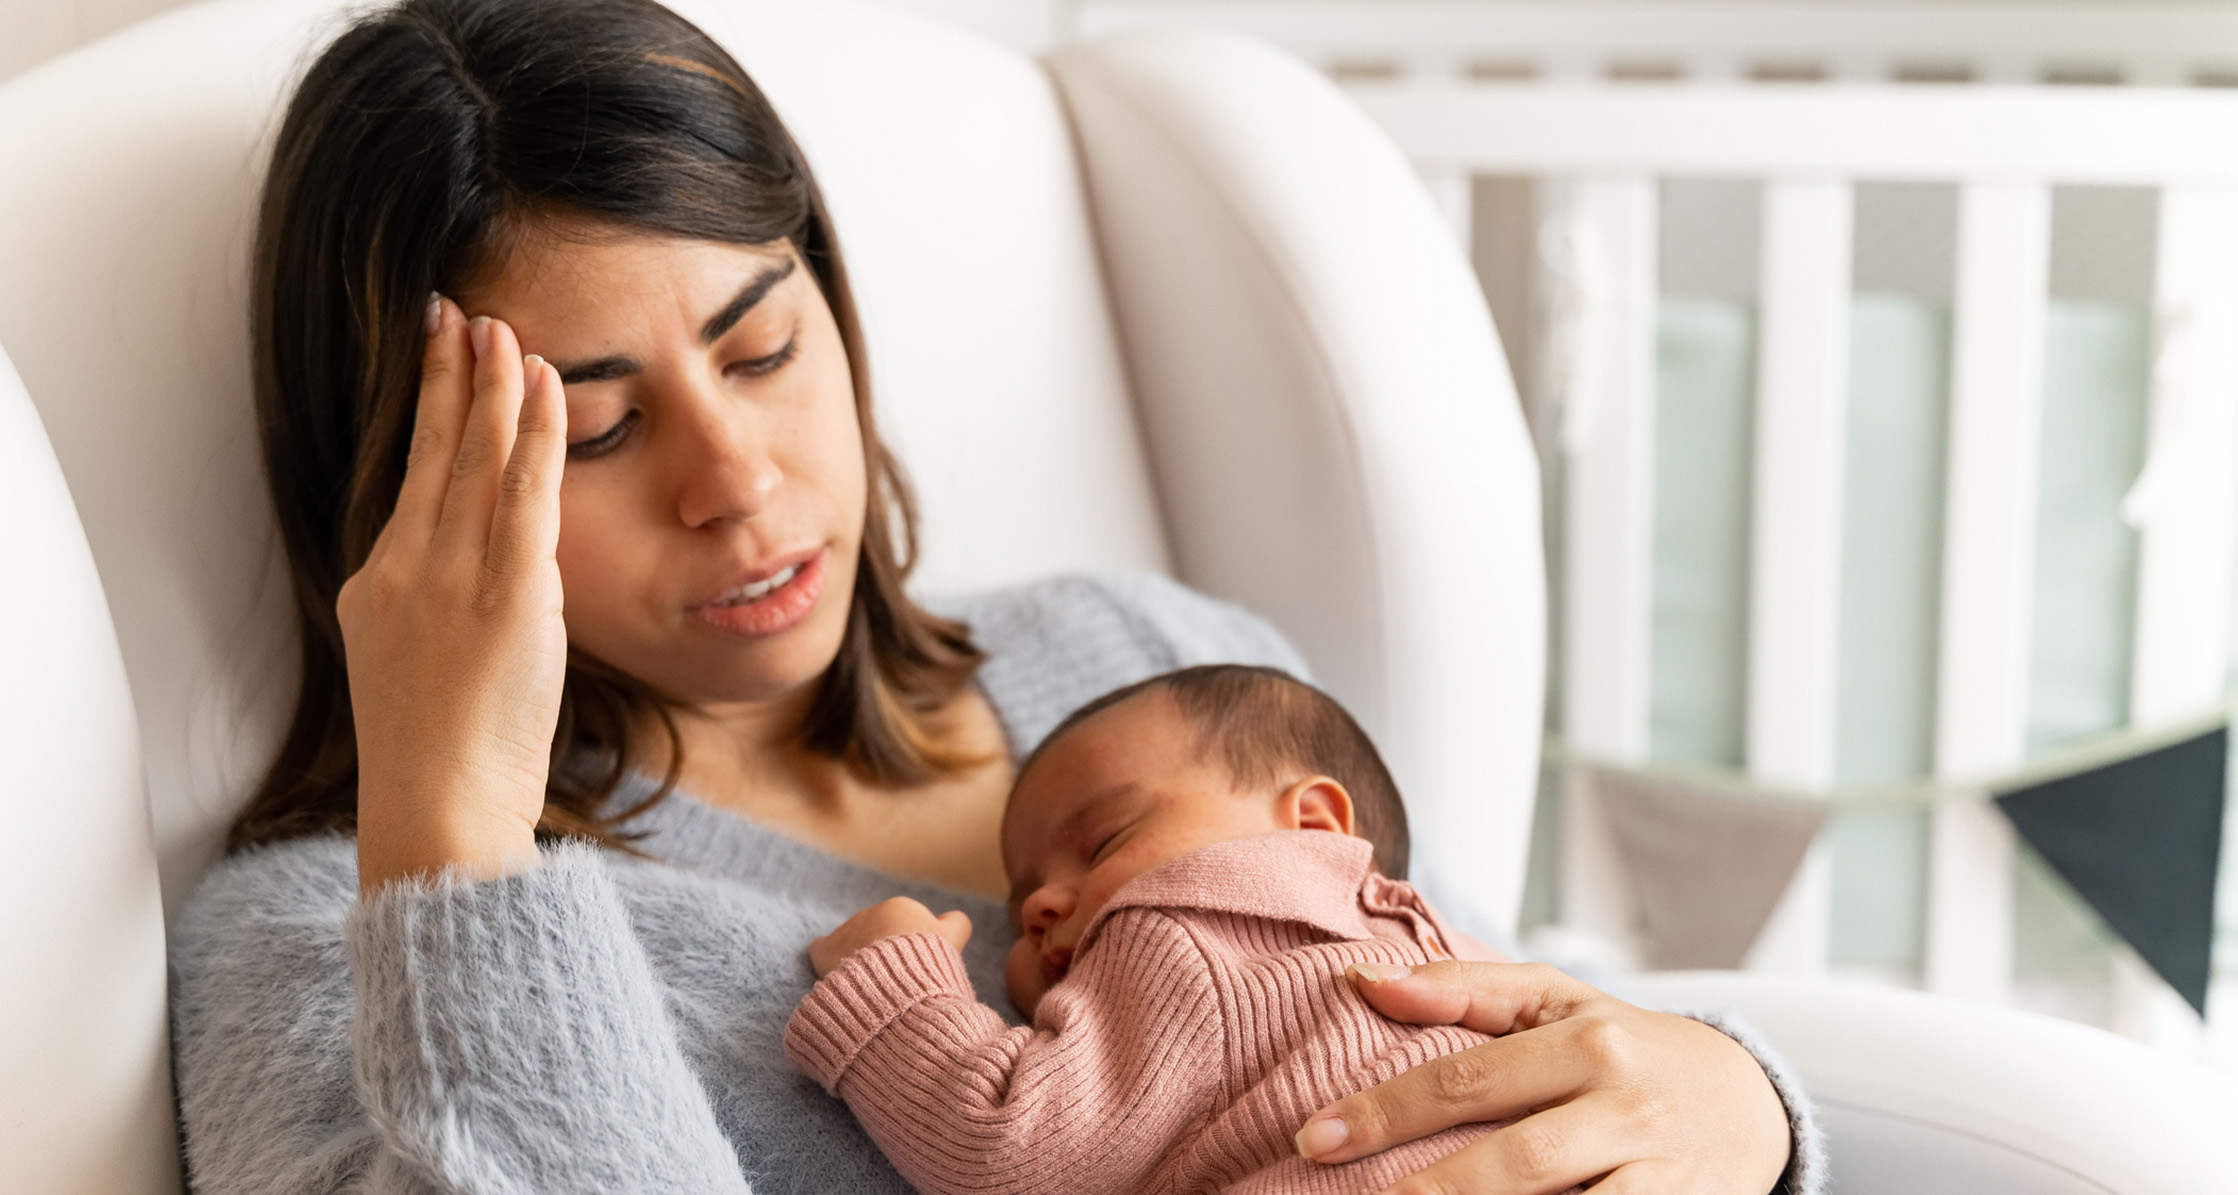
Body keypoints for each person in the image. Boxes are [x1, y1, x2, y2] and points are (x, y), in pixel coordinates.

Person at [165, 0, 1820, 1192]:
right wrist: (456, 833)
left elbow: (1483, 1035)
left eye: (762, 347)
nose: (735, 479)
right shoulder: (331, 931)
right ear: (401, 489)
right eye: (594, 429)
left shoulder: (1153, 658)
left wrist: (1736, 1108)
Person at [788, 664, 1589, 1194]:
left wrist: (896, 984)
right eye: (1020, 907)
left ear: (1310, 826)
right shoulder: (1472, 962)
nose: (1037, 908)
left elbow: (1006, 1145)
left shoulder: (1192, 925)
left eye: (1100, 841)